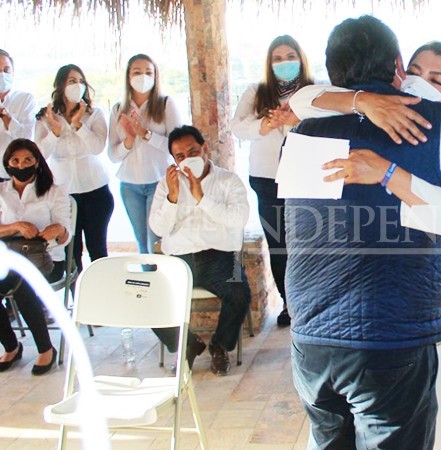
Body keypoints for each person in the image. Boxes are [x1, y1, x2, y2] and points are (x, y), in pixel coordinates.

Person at [285, 16, 441, 448]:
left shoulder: (306, 134)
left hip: (327, 331)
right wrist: (366, 102)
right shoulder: (425, 125)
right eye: (415, 73)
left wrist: (389, 168)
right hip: (388, 328)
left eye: (435, 78)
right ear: (398, 68)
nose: (420, 83)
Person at [148, 125, 250, 376]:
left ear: (204, 149)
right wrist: (172, 198)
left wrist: (201, 197)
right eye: (180, 156)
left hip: (219, 256)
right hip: (179, 260)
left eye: (192, 151)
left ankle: (220, 346)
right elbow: (158, 228)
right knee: (147, 299)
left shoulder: (228, 180)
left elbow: (239, 219)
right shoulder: (166, 185)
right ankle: (187, 344)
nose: (187, 159)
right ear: (174, 160)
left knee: (239, 293)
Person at [231, 35, 312, 328]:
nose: (284, 63)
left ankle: (311, 299)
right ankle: (289, 303)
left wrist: (294, 121)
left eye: (290, 56)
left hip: (307, 177)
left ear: (301, 59)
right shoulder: (256, 92)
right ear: (269, 63)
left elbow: (330, 125)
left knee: (307, 241)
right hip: (267, 178)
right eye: (277, 58)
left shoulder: (313, 91)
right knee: (279, 244)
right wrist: (265, 125)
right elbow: (237, 127)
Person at [0, 138, 70, 375]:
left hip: (47, 259)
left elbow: (65, 233)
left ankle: (45, 349)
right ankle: (11, 346)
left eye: (28, 160)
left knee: (24, 284)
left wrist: (56, 231)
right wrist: (16, 227)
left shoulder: (54, 192)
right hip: (9, 258)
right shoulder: (1, 190)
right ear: (7, 163)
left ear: (38, 162)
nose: (22, 165)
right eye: (16, 160)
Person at [35, 64, 112, 269]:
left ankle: (104, 295)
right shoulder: (45, 117)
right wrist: (55, 131)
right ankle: (75, 298)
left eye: (80, 81)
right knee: (71, 252)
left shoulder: (94, 114)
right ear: (60, 86)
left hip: (96, 190)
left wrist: (78, 125)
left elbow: (97, 148)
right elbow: (40, 156)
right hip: (64, 194)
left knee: (98, 250)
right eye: (71, 81)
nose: (77, 85)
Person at [108, 54, 182, 254]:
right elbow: (113, 155)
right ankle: (147, 283)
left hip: (159, 182)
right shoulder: (118, 109)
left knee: (156, 242)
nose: (143, 77)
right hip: (129, 185)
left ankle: (162, 282)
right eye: (137, 72)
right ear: (128, 77)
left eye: (148, 72)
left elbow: (178, 148)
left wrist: (146, 134)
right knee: (142, 244)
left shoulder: (166, 104)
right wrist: (130, 140)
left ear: (156, 76)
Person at [0, 50, 37, 180]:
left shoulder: (26, 99)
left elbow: (26, 138)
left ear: (13, 73)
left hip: (17, 175)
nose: (2, 75)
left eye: (6, 70)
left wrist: (6, 117)